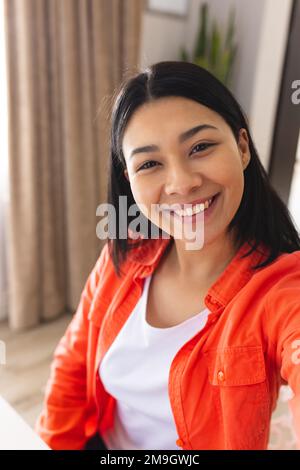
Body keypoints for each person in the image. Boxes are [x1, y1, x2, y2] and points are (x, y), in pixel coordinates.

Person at [35, 61, 300, 450]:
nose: (181, 183)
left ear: (242, 147)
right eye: (150, 164)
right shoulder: (121, 258)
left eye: (201, 147)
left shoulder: (281, 292)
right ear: (130, 179)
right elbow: (71, 371)